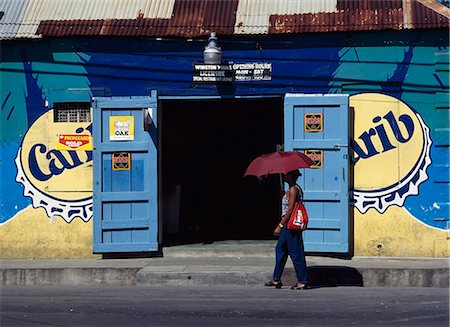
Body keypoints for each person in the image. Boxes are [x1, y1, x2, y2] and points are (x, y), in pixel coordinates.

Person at [265, 169, 308, 290]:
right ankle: (276, 279)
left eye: (286, 174)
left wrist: (280, 225)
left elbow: (290, 210)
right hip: (287, 226)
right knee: (281, 249)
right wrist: (283, 195)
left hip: (290, 226)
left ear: (291, 176)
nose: (284, 175)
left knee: (296, 253)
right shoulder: (290, 190)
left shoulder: (294, 189)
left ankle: (303, 281)